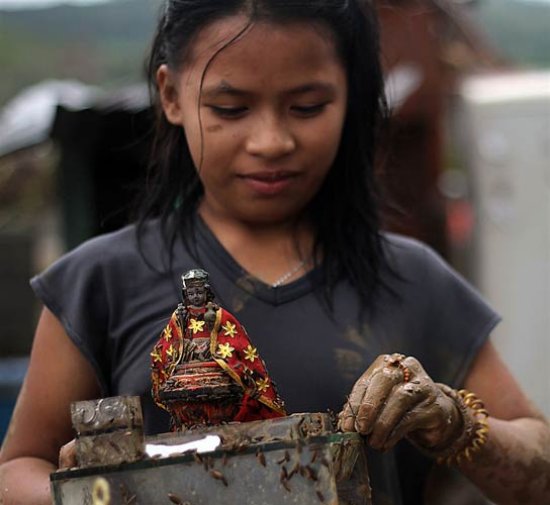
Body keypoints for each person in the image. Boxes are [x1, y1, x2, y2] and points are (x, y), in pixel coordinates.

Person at [0, 0, 548, 504]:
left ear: (351, 96)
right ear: (170, 96)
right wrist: (90, 495)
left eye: (307, 107)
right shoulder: (99, 281)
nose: (271, 142)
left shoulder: (412, 279)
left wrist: (454, 422)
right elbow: (17, 468)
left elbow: (538, 469)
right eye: (231, 108)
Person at [151, 268, 286, 429]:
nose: (196, 297)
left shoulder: (219, 314)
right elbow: (168, 342)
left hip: (215, 363)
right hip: (187, 365)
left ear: (206, 292)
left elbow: (235, 340)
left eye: (199, 292)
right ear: (186, 294)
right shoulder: (180, 316)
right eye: (192, 293)